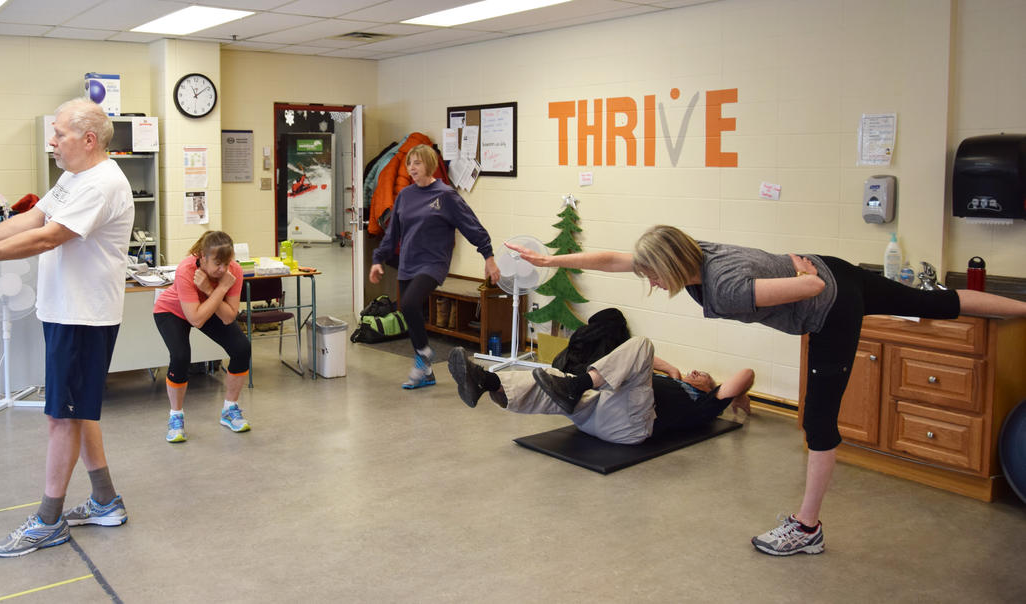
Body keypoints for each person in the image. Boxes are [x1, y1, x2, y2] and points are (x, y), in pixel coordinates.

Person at [506, 224, 1026, 556]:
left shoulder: (728, 288)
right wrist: (554, 262)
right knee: (936, 303)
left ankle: (807, 528)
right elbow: (616, 259)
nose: (649, 283)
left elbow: (812, 290)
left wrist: (803, 277)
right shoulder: (692, 250)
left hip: (830, 307)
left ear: (672, 265)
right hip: (836, 267)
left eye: (654, 277)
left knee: (818, 424)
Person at [0, 98, 134, 557]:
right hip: (65, 312)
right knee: (76, 410)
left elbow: (48, 237)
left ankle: (49, 521)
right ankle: (105, 501)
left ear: (88, 139)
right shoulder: (73, 176)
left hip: (83, 317)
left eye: (59, 134)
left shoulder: (102, 184)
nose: (52, 141)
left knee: (60, 417)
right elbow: (32, 218)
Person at [447, 339, 753, 445]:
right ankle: (486, 383)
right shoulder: (671, 380)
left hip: (632, 428)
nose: (697, 372)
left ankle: (574, 386)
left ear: (710, 388)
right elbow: (638, 363)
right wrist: (673, 370)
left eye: (704, 376)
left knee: (642, 345)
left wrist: (732, 395)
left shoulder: (702, 401)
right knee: (553, 376)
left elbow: (747, 374)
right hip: (600, 415)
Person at [368, 144, 500, 389]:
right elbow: (392, 234)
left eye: (416, 163)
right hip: (409, 261)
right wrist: (378, 259)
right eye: (409, 163)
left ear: (429, 164)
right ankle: (426, 371)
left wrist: (488, 256)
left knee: (408, 303)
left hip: (433, 262)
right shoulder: (405, 195)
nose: (411, 168)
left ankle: (423, 354)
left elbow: (471, 225)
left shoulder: (445, 195)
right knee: (408, 310)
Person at [153, 230, 252, 442]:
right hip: (172, 311)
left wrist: (210, 288)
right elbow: (195, 319)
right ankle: (175, 417)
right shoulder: (186, 269)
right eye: (218, 263)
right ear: (203, 258)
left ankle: (229, 409)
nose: (223, 269)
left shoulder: (232, 272)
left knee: (242, 348)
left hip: (209, 307)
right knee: (180, 356)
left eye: (227, 262)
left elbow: (228, 317)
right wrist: (218, 290)